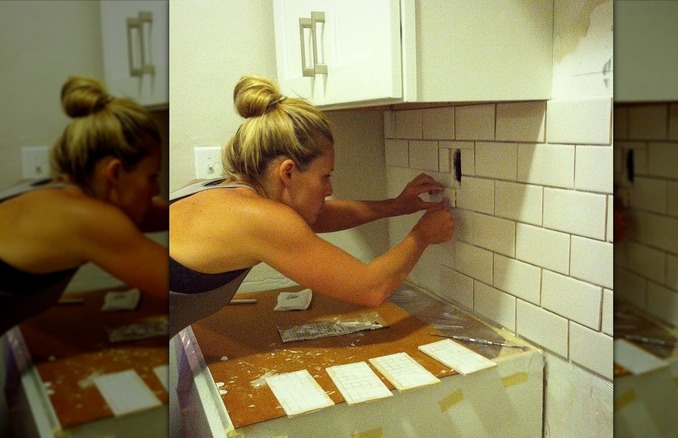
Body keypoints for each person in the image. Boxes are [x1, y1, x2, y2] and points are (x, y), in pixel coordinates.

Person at [168, 76, 454, 337]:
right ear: (288, 173)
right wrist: (423, 235)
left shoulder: (214, 191)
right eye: (325, 176)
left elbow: (316, 218)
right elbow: (370, 287)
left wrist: (395, 206)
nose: (329, 189)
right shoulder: (259, 218)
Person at [0, 76, 169, 336]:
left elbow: (155, 214)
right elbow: (180, 283)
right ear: (115, 173)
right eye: (151, 177)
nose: (156, 189)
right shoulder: (87, 220)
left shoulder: (44, 192)